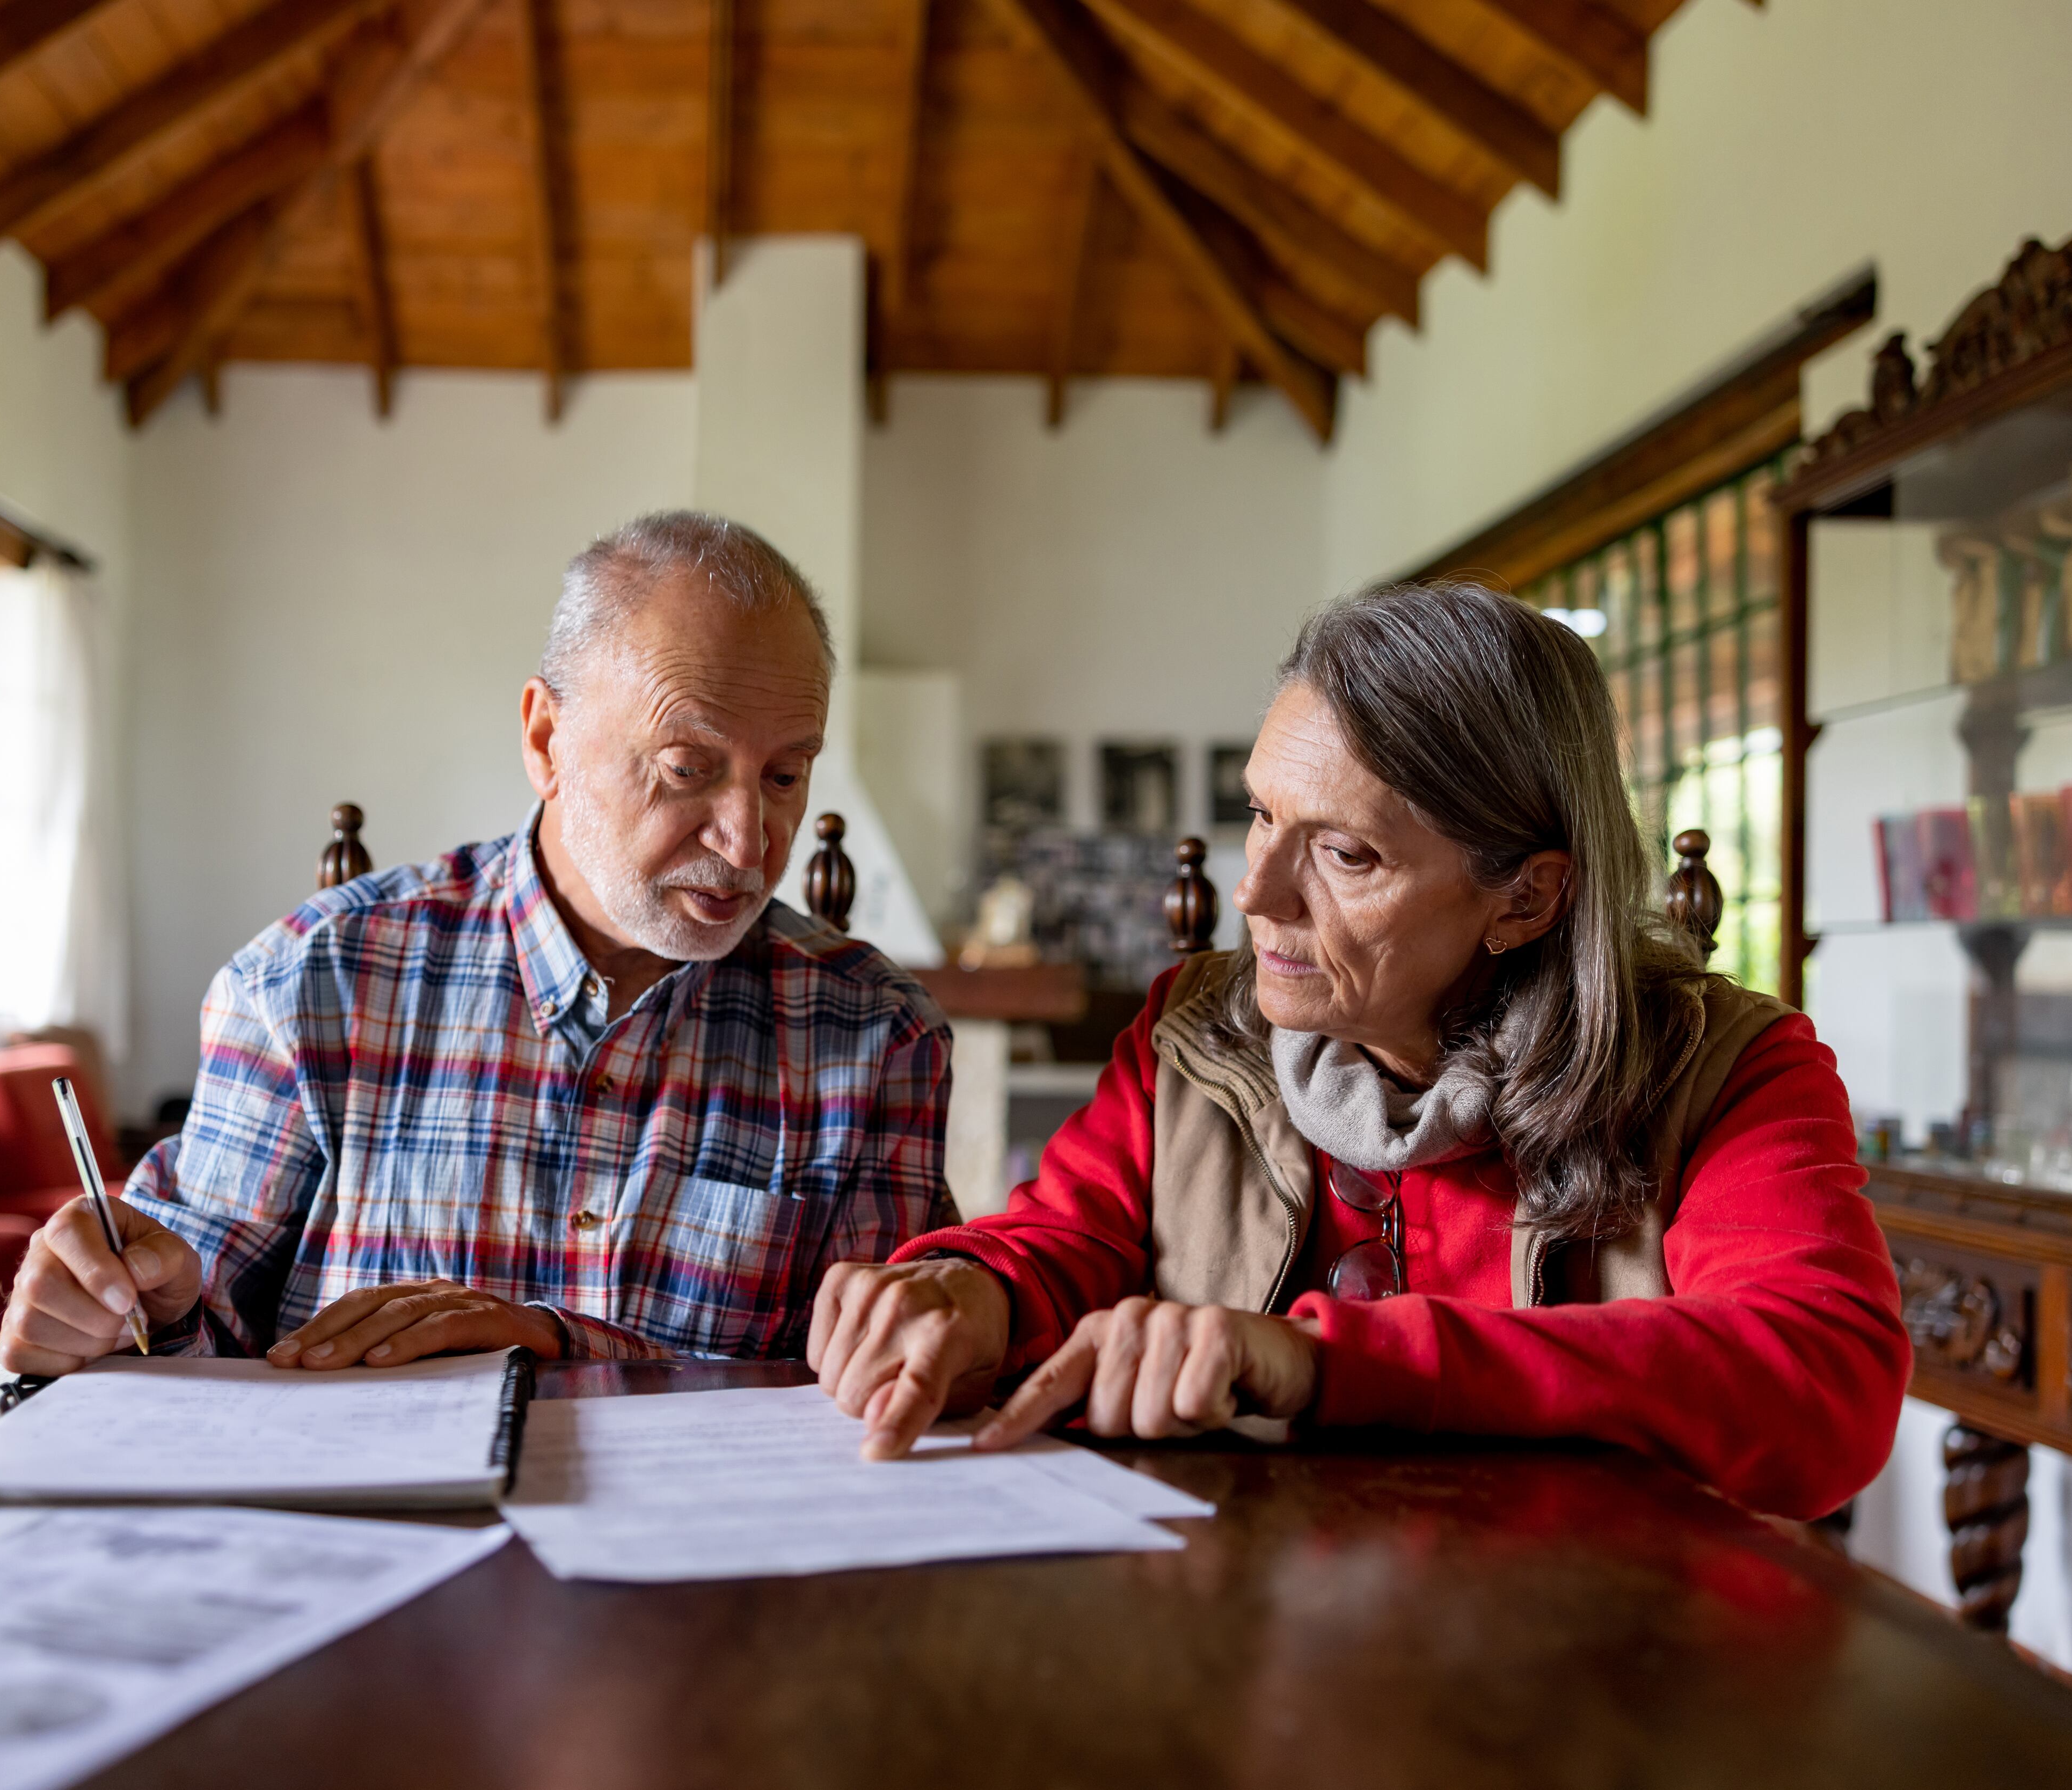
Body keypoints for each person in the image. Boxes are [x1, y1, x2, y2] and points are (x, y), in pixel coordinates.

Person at [811, 581, 1909, 1519]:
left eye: (1344, 854)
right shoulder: (1194, 1036)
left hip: (1583, 1676)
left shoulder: (1722, 1072)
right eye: (1257, 815)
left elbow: (1821, 1382)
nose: (1255, 893)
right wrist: (967, 1292)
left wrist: (1330, 1361)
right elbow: (1060, 1237)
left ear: (1526, 897)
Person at [0, 511, 950, 1372]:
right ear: (546, 741)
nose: (749, 842)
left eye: (786, 776)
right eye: (688, 768)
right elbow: (187, 1341)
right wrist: (113, 1316)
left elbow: (874, 1392)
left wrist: (550, 1340)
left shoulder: (874, 1038)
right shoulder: (313, 985)